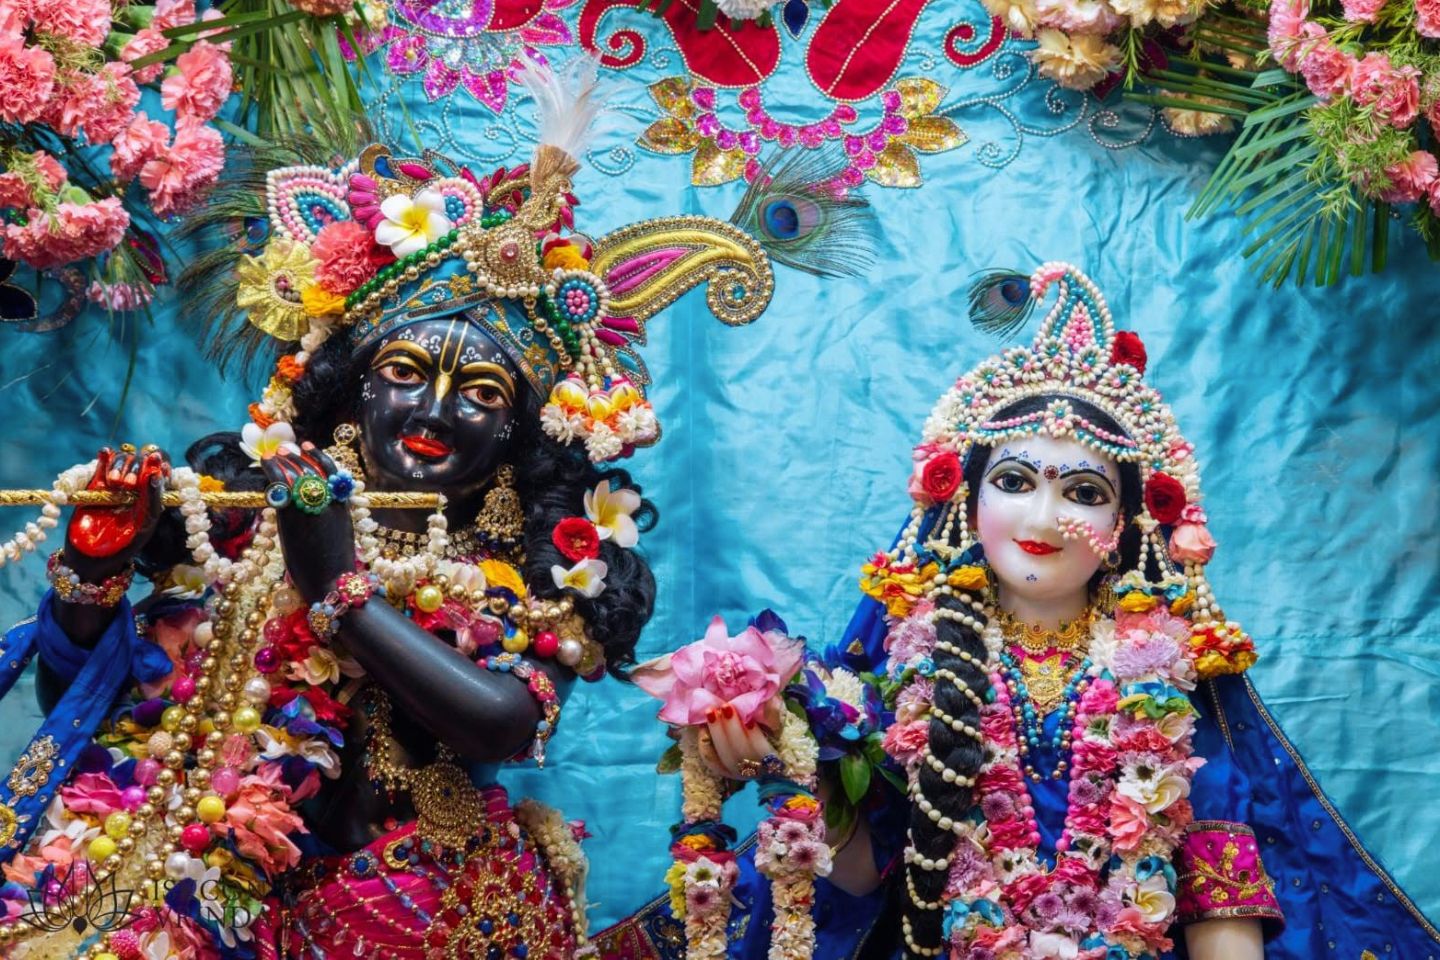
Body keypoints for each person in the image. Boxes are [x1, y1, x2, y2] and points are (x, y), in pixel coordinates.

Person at [0, 59, 786, 959]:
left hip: (412, 909)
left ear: (521, 433)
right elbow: (85, 706)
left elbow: (506, 722)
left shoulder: (538, 560)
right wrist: (92, 574)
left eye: (482, 392)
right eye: (405, 376)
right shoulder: (242, 523)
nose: (434, 412)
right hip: (186, 884)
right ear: (348, 390)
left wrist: (339, 590)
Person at [602, 261, 1440, 960]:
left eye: (1081, 491)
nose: (1042, 520)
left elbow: (1216, 869)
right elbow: (860, 879)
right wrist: (798, 769)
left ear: (1128, 524)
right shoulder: (905, 662)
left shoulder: (1166, 671)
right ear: (963, 498)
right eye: (1014, 481)